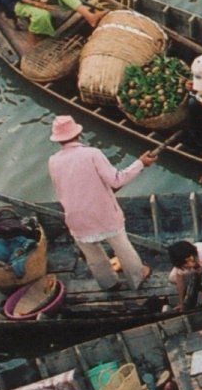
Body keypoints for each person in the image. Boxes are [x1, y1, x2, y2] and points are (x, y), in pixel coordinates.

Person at [46, 116, 156, 290]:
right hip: (103, 214)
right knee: (123, 248)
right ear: (78, 133)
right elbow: (116, 181)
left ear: (58, 140)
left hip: (75, 219)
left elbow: (61, 189)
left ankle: (108, 284)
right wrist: (140, 163)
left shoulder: (53, 161)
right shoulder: (92, 153)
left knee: (94, 258)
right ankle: (136, 278)